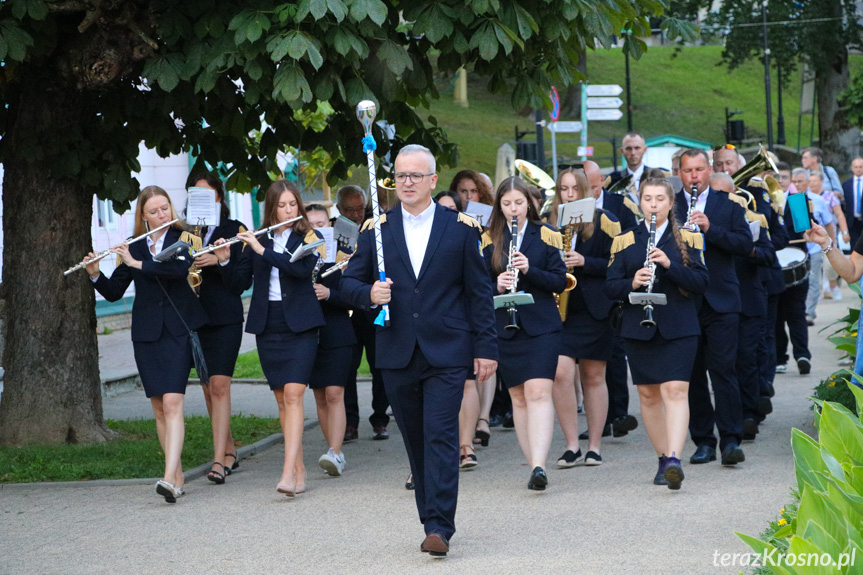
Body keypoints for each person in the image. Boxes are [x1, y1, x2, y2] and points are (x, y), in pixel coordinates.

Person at [341, 145, 498, 557]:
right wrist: (369, 293)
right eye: (401, 176)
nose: (407, 183)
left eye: (415, 176)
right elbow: (347, 283)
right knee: (415, 439)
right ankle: (429, 514)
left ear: (432, 180)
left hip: (447, 349)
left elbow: (479, 294)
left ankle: (438, 526)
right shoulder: (377, 228)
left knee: (441, 435)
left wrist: (486, 348)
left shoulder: (462, 227)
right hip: (396, 350)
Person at [86, 186, 208, 503]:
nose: (161, 215)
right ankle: (176, 475)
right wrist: (96, 274)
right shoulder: (135, 246)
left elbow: (177, 270)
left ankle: (168, 477)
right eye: (153, 211)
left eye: (165, 208)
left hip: (178, 329)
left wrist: (137, 263)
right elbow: (114, 291)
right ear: (143, 215)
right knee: (158, 407)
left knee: (172, 403)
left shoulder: (185, 238)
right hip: (147, 333)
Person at [222, 179, 325, 496]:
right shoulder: (257, 238)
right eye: (282, 205)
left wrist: (261, 249)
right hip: (269, 324)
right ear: (271, 208)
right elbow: (240, 282)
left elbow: (296, 270)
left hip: (301, 324)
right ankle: (298, 467)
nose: (288, 210)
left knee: (294, 394)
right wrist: (226, 258)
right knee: (282, 400)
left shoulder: (308, 237)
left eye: (293, 204)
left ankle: (286, 472)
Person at [605, 178, 708, 489]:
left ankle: (675, 458)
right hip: (639, 326)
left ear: (669, 203)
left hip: (679, 325)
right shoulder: (624, 240)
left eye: (659, 199)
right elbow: (609, 287)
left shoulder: (688, 237)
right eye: (647, 198)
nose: (653, 204)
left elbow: (702, 282)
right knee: (648, 396)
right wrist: (632, 283)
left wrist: (669, 265)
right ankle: (663, 459)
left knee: (675, 390)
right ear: (639, 202)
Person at [482, 176, 567, 488]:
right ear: (499, 206)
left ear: (529, 203)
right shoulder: (489, 238)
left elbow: (560, 280)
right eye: (506, 204)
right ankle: (533, 464)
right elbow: (476, 286)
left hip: (541, 324)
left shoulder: (546, 234)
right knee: (518, 396)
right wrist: (497, 285)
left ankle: (541, 465)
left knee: (538, 391)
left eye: (519, 203)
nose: (513, 209)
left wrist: (530, 269)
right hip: (504, 326)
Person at [674, 149, 753, 467]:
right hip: (685, 298)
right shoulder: (671, 205)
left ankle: (731, 439)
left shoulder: (728, 205)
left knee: (723, 370)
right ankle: (703, 440)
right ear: (679, 173)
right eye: (687, 170)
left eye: (699, 169)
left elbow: (745, 245)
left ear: (709, 171)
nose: (694, 176)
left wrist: (710, 229)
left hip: (722, 299)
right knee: (691, 375)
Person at [552, 167, 620, 466]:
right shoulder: (553, 221)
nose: (569, 194)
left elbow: (618, 265)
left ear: (585, 190)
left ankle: (594, 445)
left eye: (574, 189)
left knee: (594, 377)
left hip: (595, 308)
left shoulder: (606, 220)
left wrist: (585, 262)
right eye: (564, 189)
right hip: (563, 310)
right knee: (561, 373)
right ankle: (570, 444)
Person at [186, 172, 248, 485]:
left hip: (224, 317)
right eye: (194, 194)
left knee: (220, 385)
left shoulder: (235, 230)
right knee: (209, 389)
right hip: (194, 318)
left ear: (219, 198)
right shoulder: (185, 232)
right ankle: (228, 449)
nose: (200, 200)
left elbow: (241, 282)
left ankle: (219, 460)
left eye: (206, 194)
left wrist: (221, 262)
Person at [584, 160, 639, 439]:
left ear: (602, 181)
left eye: (593, 186)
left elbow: (629, 249)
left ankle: (619, 414)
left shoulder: (620, 205)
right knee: (590, 362)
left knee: (615, 355)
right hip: (583, 297)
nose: (589, 192)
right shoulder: (569, 210)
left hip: (613, 291)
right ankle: (598, 421)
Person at [337, 185, 390, 443]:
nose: (357, 214)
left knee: (379, 363)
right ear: (339, 209)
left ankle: (380, 418)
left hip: (371, 305)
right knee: (347, 367)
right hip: (344, 308)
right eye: (351, 209)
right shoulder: (334, 230)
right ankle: (350, 422)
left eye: (360, 208)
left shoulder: (374, 226)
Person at [306, 204, 353, 477]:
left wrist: (329, 294)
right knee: (320, 395)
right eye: (311, 225)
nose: (317, 228)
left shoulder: (343, 256)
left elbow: (354, 295)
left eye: (321, 223)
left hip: (337, 330)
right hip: (309, 332)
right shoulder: (298, 255)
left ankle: (335, 452)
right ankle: (333, 450)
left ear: (330, 224)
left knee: (335, 393)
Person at [792, 169, 836, 324]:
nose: (797, 184)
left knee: (813, 279)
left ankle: (808, 312)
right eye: (794, 181)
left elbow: (829, 222)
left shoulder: (818, 200)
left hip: (815, 248)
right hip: (796, 249)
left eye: (800, 181)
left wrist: (832, 244)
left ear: (807, 183)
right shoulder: (786, 200)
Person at [808, 171, 848, 301]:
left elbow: (839, 214)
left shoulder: (830, 196)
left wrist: (844, 231)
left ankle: (833, 285)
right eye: (810, 181)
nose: (812, 183)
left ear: (821, 182)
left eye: (815, 180)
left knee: (830, 264)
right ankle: (819, 291)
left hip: (828, 234)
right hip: (811, 237)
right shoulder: (805, 196)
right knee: (815, 265)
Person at [841, 157, 863, 249]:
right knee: (854, 248)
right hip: (852, 222)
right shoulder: (846, 185)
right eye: (856, 167)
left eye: (861, 167)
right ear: (852, 168)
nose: (858, 169)